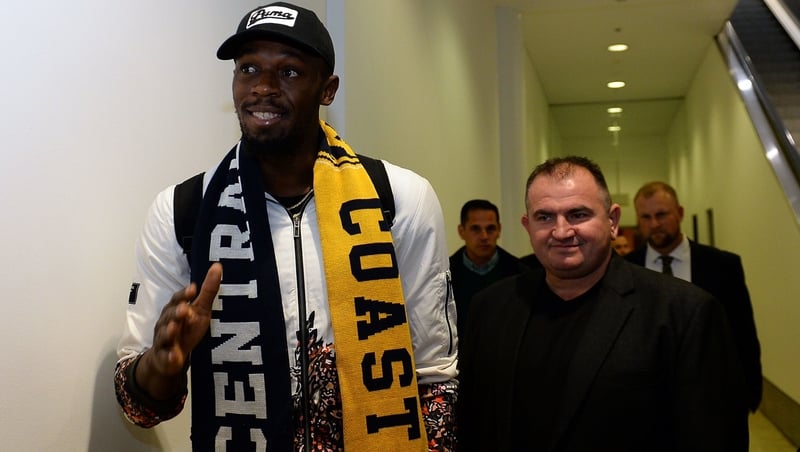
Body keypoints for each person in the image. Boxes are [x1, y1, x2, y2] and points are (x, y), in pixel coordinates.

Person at [114, 3, 458, 451]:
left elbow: (435, 379)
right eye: (249, 68)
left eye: (290, 72)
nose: (262, 87)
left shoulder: (397, 199)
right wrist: (160, 368)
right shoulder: (183, 213)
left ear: (328, 89)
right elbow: (138, 405)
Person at [458, 156, 748, 451]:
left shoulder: (683, 312)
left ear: (613, 221)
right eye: (544, 217)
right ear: (527, 225)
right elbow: (473, 422)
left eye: (578, 214)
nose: (561, 231)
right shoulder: (490, 308)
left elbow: (713, 436)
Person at [627, 181, 762, 414]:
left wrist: (749, 392)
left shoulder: (723, 266)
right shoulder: (625, 268)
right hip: (645, 403)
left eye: (661, 214)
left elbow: (742, 332)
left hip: (710, 397)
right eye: (645, 217)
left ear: (679, 213)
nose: (654, 224)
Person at [449, 199, 527, 335]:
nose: (484, 236)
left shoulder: (521, 274)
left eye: (490, 228)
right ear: (461, 231)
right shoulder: (445, 277)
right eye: (475, 229)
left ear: (499, 230)